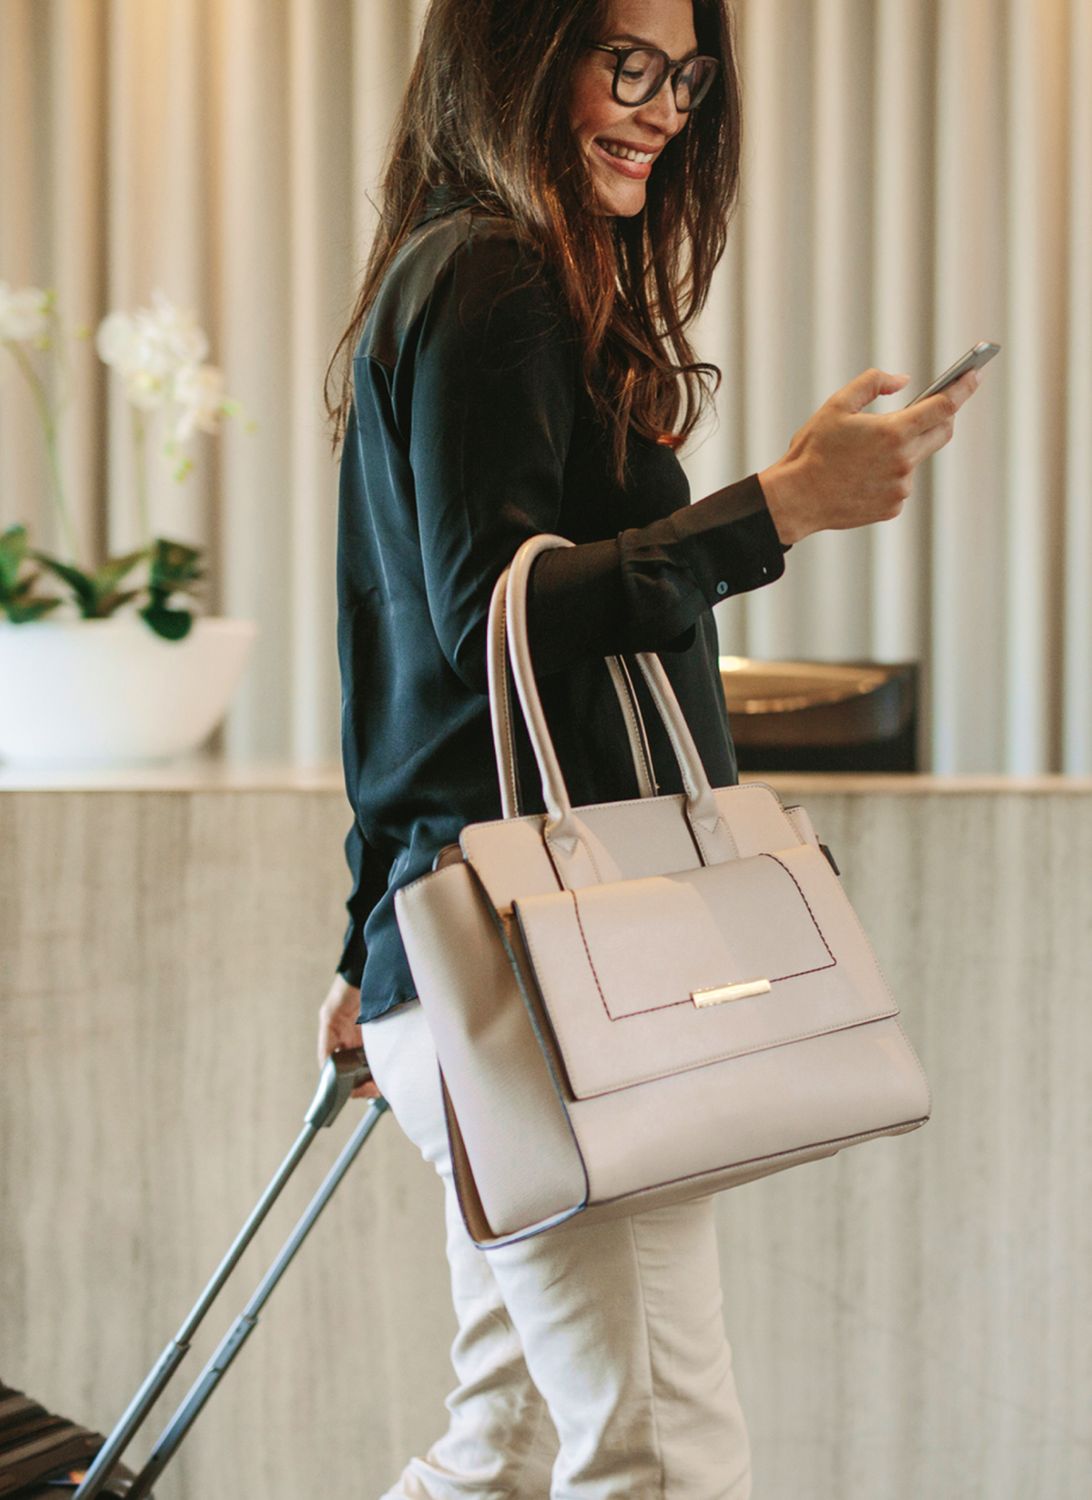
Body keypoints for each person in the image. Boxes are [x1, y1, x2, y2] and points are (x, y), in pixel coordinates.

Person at [317, 2, 981, 1495]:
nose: (665, 107)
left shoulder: (448, 270)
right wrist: (780, 507)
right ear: (517, 45)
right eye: (630, 60)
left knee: (505, 1444)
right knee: (662, 1457)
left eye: (685, 75)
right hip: (547, 990)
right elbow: (501, 614)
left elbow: (402, 666)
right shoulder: (498, 278)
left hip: (480, 974)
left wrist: (369, 947)